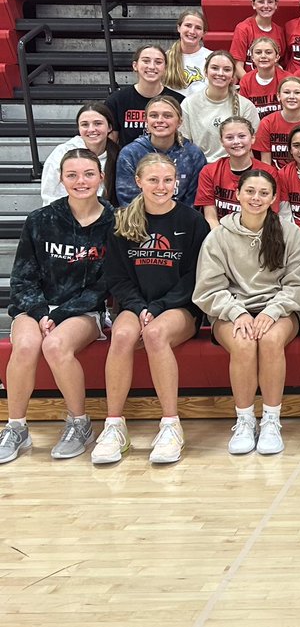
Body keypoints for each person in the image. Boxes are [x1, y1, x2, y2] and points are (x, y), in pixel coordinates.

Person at [1, 149, 113, 464]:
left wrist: (59, 315)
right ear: (61, 179)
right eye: (72, 175)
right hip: (37, 307)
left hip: (84, 309)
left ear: (101, 177)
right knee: (23, 345)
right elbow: (22, 278)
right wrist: (40, 313)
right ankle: (16, 428)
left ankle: (79, 423)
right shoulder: (40, 220)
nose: (81, 181)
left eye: (89, 174)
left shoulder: (115, 221)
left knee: (55, 344)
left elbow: (106, 285)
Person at [193, 169, 300, 455]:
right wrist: (237, 313)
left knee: (270, 341)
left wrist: (272, 311)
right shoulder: (219, 236)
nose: (255, 198)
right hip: (233, 310)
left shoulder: (289, 232)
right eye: (249, 191)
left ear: (273, 198)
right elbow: (208, 289)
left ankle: (271, 420)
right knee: (244, 344)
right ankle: (245, 421)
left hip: (279, 309)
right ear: (237, 194)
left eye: (263, 193)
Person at [96, 154, 206, 464]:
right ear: (139, 182)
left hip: (179, 306)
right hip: (136, 304)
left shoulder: (192, 221)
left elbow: (195, 277)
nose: (161, 186)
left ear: (176, 183)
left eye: (167, 180)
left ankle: (171, 425)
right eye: (153, 180)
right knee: (121, 336)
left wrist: (157, 307)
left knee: (156, 334)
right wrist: (139, 306)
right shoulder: (122, 221)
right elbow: (116, 276)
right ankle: (114, 426)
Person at [115, 96, 206, 208]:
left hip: (182, 221)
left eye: (167, 116)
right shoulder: (130, 154)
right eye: (154, 115)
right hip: (139, 220)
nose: (160, 120)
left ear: (179, 122)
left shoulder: (193, 154)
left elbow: (194, 202)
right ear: (146, 121)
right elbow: (128, 200)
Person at [195, 116, 276, 229]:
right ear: (222, 141)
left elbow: (271, 214)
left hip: (256, 233)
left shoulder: (268, 172)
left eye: (242, 136)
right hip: (220, 234)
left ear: (252, 138)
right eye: (229, 137)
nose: (236, 142)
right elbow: (211, 217)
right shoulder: (209, 171)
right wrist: (223, 239)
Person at [180, 50, 260, 162]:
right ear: (205, 72)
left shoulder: (246, 106)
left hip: (236, 167)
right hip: (201, 168)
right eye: (215, 68)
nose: (220, 73)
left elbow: (250, 145)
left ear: (233, 76)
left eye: (226, 70)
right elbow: (185, 145)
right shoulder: (189, 104)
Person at [105, 44, 185, 147]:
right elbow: (111, 144)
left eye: (158, 62)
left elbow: (183, 141)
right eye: (146, 61)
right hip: (130, 161)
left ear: (165, 68)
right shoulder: (116, 100)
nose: (152, 66)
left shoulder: (179, 101)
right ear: (135, 65)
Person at [42, 103, 118, 205]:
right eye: (85, 124)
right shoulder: (61, 153)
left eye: (98, 123)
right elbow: (49, 196)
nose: (91, 129)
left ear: (109, 127)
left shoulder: (117, 155)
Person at [255, 76, 300, 169]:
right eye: (287, 92)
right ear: (278, 96)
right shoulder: (267, 123)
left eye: (297, 93)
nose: (292, 97)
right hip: (276, 177)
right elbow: (266, 162)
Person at [230, 0, 282, 79]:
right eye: (261, 2)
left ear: (276, 4)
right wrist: (252, 85)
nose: (266, 6)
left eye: (270, 2)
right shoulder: (243, 29)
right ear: (253, 4)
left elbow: (278, 63)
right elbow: (237, 66)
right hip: (249, 85)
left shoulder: (279, 31)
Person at [237, 36, 290, 122]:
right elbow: (244, 112)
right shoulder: (246, 80)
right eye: (258, 52)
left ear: (277, 57)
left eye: (268, 52)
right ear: (252, 57)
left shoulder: (287, 79)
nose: (263, 56)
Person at [163, 8, 211, 96]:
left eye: (198, 28)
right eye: (188, 25)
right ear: (179, 28)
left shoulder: (212, 58)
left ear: (204, 33)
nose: (192, 31)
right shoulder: (165, 58)